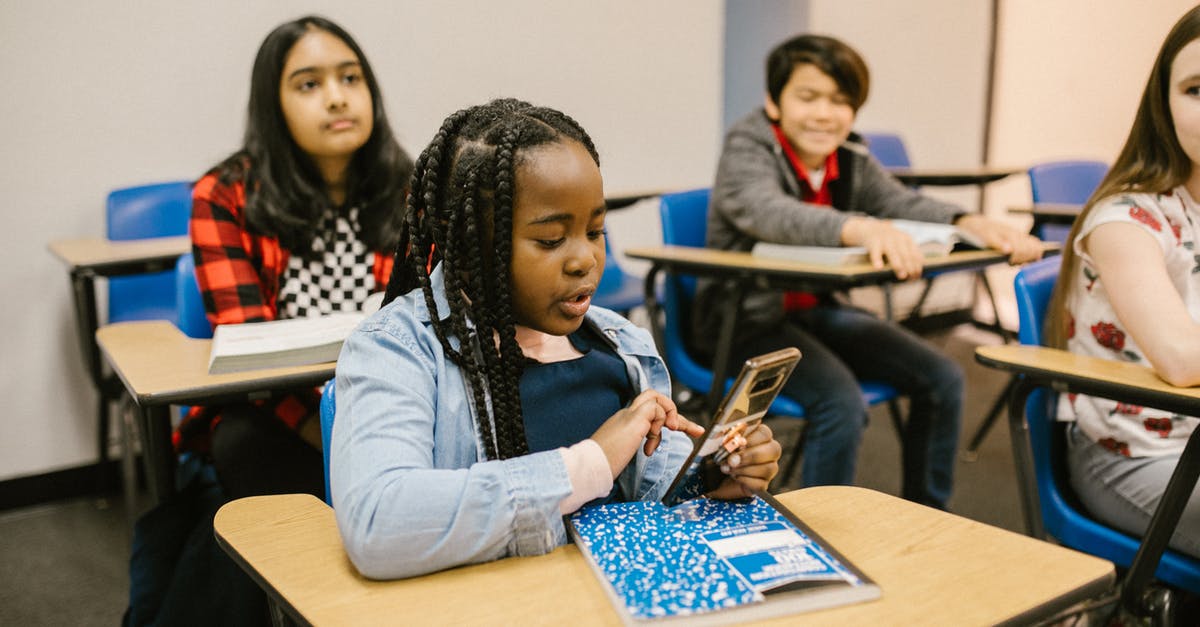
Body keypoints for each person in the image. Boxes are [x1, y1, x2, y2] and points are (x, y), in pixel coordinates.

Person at [330, 98, 783, 580]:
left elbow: (652, 488)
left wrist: (714, 475)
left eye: (595, 231)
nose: (584, 259)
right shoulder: (396, 348)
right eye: (550, 240)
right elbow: (379, 524)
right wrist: (589, 463)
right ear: (466, 247)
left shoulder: (622, 345)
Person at [124, 16, 412, 626]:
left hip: (391, 406)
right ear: (272, 104)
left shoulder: (410, 185)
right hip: (284, 415)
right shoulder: (225, 196)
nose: (337, 96)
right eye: (308, 84)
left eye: (351, 77)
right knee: (242, 443)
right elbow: (252, 361)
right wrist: (337, 437)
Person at [697, 34, 1043, 509]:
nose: (824, 113)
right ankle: (816, 534)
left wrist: (968, 221)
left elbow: (898, 201)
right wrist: (861, 229)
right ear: (774, 102)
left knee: (943, 376)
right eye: (808, 96)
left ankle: (929, 515)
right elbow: (767, 210)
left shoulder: (850, 155)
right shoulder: (748, 145)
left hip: (817, 311)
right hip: (743, 322)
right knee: (840, 403)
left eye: (840, 101)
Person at [1046, 5, 1200, 559]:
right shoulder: (1126, 219)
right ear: (1163, 102)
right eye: (1197, 88)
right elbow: (1182, 359)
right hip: (1136, 454)